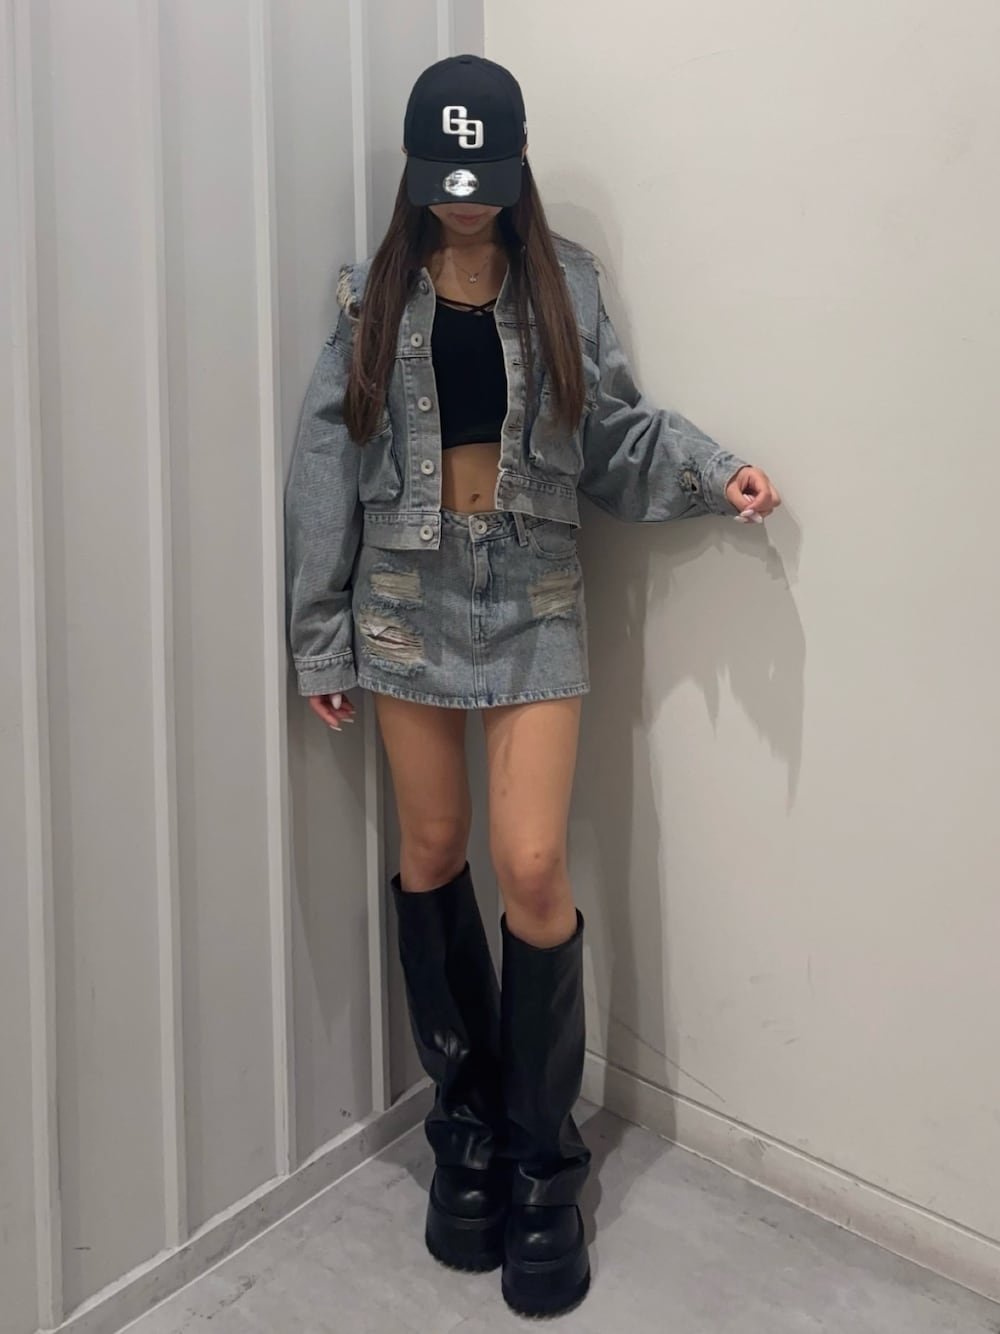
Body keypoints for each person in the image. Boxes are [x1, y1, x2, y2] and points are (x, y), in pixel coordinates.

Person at [285, 53, 781, 1318]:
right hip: (403, 599)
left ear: (514, 169)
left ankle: (545, 1163)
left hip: (536, 594)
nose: (463, 201)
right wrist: (320, 636)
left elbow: (609, 430)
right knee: (431, 850)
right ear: (416, 173)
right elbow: (326, 465)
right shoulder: (370, 296)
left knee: (533, 865)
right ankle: (467, 1137)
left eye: (483, 179)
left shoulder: (567, 282)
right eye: (443, 180)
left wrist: (710, 470)